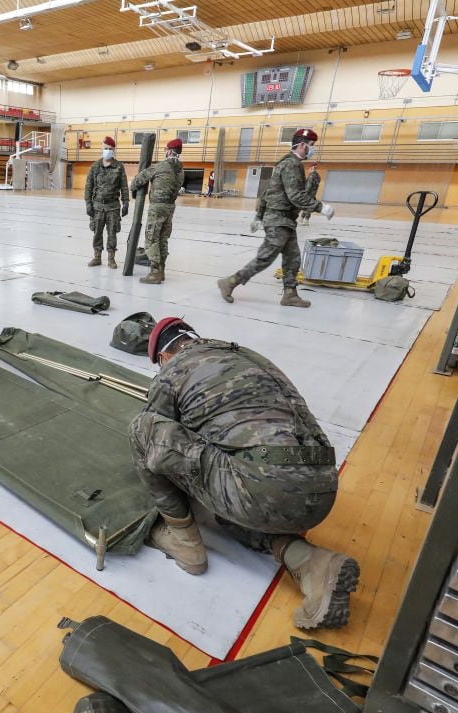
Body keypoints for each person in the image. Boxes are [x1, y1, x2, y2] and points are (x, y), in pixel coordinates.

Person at [129, 317, 360, 630]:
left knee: (141, 430)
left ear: (164, 357)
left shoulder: (172, 370)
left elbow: (157, 430)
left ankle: (184, 541)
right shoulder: (244, 354)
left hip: (262, 487)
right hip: (323, 486)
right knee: (231, 498)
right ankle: (311, 564)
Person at [217, 129, 335, 308]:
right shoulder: (291, 165)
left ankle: (290, 294)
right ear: (302, 145)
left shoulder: (286, 164)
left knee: (292, 258)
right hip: (278, 220)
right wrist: (321, 207)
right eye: (311, 146)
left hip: (286, 221)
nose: (312, 150)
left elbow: (267, 192)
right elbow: (295, 195)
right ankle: (230, 282)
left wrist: (258, 215)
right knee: (265, 257)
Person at [130, 138, 185, 284]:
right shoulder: (181, 171)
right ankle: (161, 270)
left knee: (151, 239)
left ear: (169, 151)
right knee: (162, 239)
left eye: (166, 150)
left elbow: (139, 179)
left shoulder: (160, 167)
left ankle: (154, 272)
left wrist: (132, 190)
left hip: (157, 208)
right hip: (170, 208)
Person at [84, 136, 130, 269]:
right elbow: (89, 186)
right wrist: (88, 203)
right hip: (97, 206)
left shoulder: (119, 167)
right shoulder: (95, 167)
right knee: (97, 233)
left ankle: (111, 259)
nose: (108, 151)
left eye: (110, 149)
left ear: (114, 150)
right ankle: (97, 257)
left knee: (112, 233)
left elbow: (124, 187)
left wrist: (125, 203)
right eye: (106, 149)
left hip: (113, 207)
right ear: (101, 149)